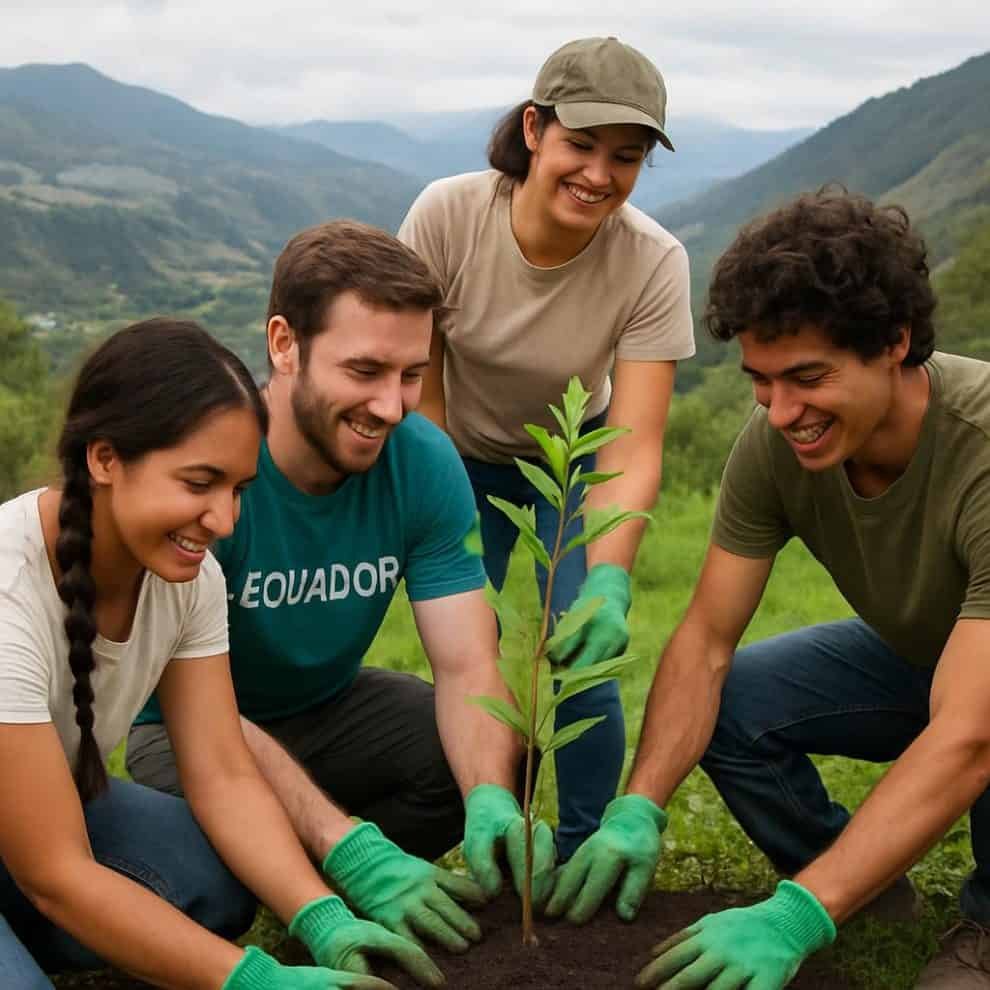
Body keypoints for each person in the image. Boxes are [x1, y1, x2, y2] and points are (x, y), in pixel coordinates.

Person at [545, 188, 990, 989]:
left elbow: (970, 735)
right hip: (931, 654)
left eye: (808, 377)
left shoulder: (982, 450)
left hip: (982, 689)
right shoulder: (776, 444)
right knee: (739, 700)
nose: (782, 412)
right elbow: (706, 642)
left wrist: (798, 914)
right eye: (761, 380)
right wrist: (639, 805)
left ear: (895, 343)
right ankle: (860, 884)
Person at [128, 221, 555, 957]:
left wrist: (488, 791)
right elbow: (200, 711)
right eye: (364, 371)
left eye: (411, 375)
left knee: (497, 757)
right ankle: (313, 873)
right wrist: (346, 842)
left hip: (331, 706)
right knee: (207, 882)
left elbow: (465, 665)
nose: (391, 406)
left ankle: (331, 865)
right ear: (284, 344)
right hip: (181, 725)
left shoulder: (421, 460)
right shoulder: (210, 473)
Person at [0, 319, 444, 990]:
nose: (224, 521)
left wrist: (321, 916)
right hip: (38, 847)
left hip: (33, 814)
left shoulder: (190, 576)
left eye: (237, 489)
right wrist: (248, 980)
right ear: (105, 459)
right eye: (199, 482)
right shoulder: (8, 592)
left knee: (214, 884)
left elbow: (223, 773)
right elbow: (59, 871)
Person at [397, 35, 695, 860]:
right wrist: (443, 522)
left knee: (578, 648)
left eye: (626, 157)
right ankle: (486, 825)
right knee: (470, 648)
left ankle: (587, 845)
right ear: (534, 129)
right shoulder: (449, 217)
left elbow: (632, 445)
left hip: (572, 464)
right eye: (582, 145)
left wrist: (609, 580)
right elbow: (417, 392)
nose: (600, 174)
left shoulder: (652, 262)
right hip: (456, 459)